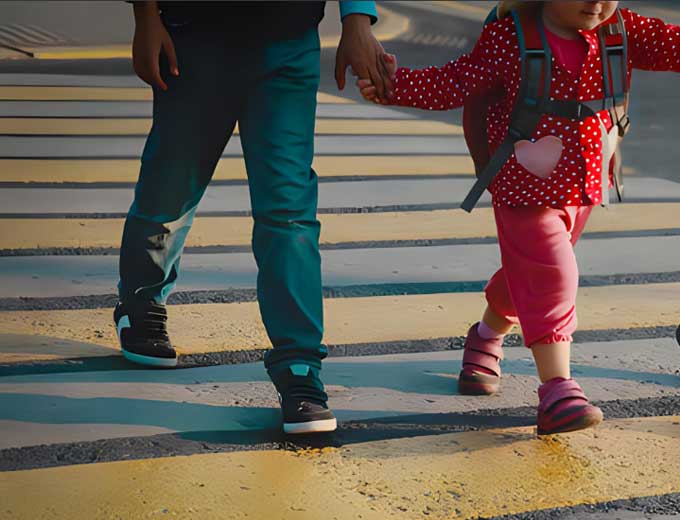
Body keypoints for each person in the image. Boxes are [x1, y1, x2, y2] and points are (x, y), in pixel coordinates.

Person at [358, 0, 680, 434]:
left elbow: (673, 46)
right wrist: (393, 85)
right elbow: (455, 82)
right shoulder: (511, 37)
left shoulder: (619, 30)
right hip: (522, 189)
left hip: (583, 187)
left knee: (525, 275)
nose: (597, 2)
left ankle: (487, 334)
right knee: (552, 273)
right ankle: (557, 391)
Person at [116, 1, 392, 435]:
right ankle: (141, 297)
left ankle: (299, 366)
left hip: (287, 44)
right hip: (192, 41)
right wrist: (146, 18)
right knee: (170, 187)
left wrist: (356, 18)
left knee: (288, 211)